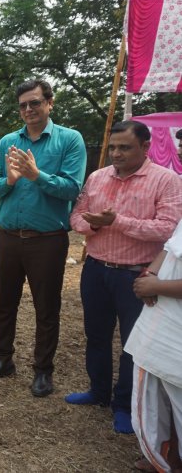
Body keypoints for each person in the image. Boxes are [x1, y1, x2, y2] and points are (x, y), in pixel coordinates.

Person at [66, 120, 182, 433]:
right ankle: (98, 391)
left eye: (125, 148)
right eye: (113, 147)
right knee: (97, 334)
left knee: (133, 344)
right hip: (96, 269)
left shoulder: (166, 181)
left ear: (145, 148)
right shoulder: (97, 176)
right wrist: (95, 225)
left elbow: (168, 229)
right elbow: (77, 216)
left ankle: (125, 405)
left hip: (138, 274)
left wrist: (116, 221)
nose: (116, 153)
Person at [0, 79, 87, 397]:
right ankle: (3, 359)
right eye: (24, 105)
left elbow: (72, 188)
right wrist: (10, 180)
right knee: (5, 303)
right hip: (8, 237)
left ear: (50, 103)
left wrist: (37, 176)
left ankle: (43, 371)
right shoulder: (8, 142)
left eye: (35, 103)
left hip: (48, 239)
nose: (29, 109)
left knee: (46, 307)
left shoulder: (70, 140)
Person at [129, 220, 182, 472]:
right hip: (159, 323)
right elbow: (170, 247)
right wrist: (151, 273)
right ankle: (161, 458)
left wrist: (158, 286)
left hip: (176, 334)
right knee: (153, 399)